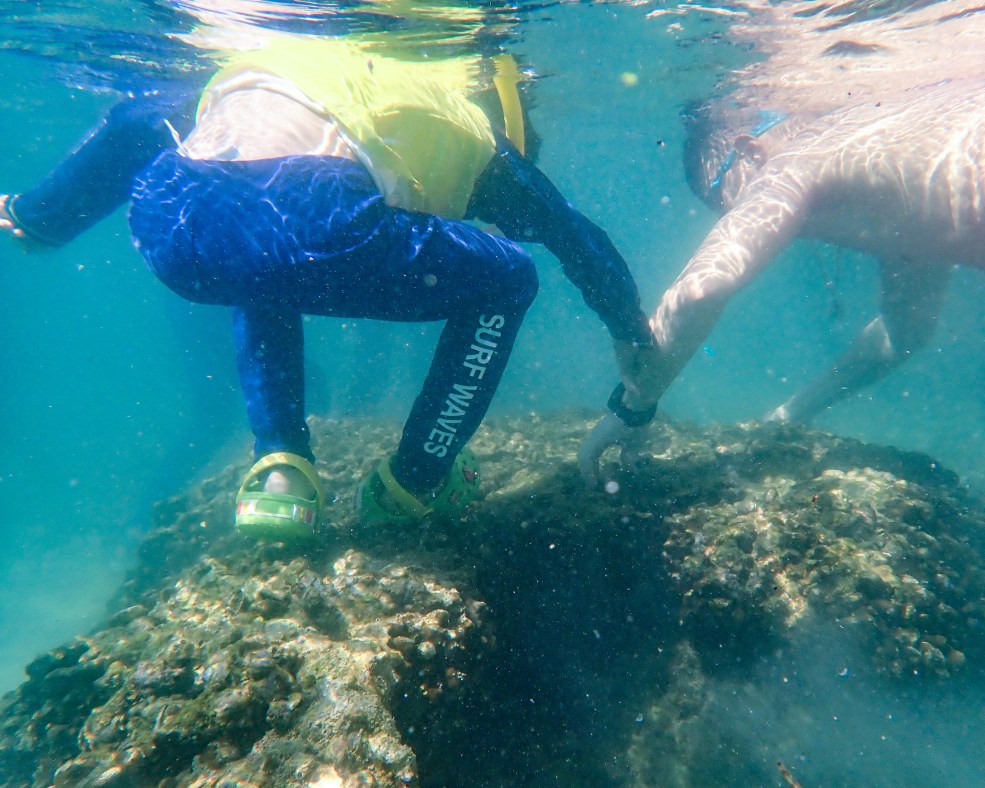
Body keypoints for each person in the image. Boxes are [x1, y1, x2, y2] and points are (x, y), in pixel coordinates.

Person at [1, 34, 652, 540]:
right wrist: (631, 333)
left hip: (172, 223)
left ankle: (280, 473)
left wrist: (40, 216)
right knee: (510, 277)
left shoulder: (283, 62)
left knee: (260, 245)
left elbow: (133, 122)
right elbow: (578, 240)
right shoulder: (488, 149)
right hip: (319, 226)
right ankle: (413, 484)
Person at [579, 74, 985, 483]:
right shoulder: (900, 190)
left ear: (749, 150)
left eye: (728, 199)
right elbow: (904, 331)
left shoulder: (793, 161)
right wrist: (787, 416)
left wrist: (635, 405)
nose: (738, 213)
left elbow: (706, 286)